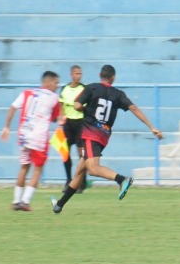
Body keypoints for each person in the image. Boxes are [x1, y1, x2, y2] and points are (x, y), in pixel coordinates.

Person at [51, 64, 162, 213]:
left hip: (90, 132)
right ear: (113, 78)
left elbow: (77, 105)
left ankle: (122, 180)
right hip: (104, 135)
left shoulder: (91, 88)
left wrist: (85, 108)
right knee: (79, 171)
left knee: (92, 169)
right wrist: (152, 127)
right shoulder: (118, 94)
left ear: (100, 75)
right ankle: (59, 205)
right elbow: (133, 108)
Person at [0, 70, 62, 212]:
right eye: (56, 83)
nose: (57, 86)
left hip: (24, 134)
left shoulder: (27, 93)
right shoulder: (53, 98)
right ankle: (25, 202)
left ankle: (16, 201)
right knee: (37, 169)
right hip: (39, 136)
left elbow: (13, 107)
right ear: (47, 82)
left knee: (24, 167)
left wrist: (6, 127)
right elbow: (55, 118)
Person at [58, 65, 86, 192]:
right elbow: (61, 105)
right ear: (71, 75)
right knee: (65, 153)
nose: (78, 76)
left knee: (81, 153)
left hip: (80, 122)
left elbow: (87, 106)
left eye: (80, 73)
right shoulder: (65, 89)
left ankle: (81, 181)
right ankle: (68, 180)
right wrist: (61, 118)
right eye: (76, 73)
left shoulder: (84, 89)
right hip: (68, 124)